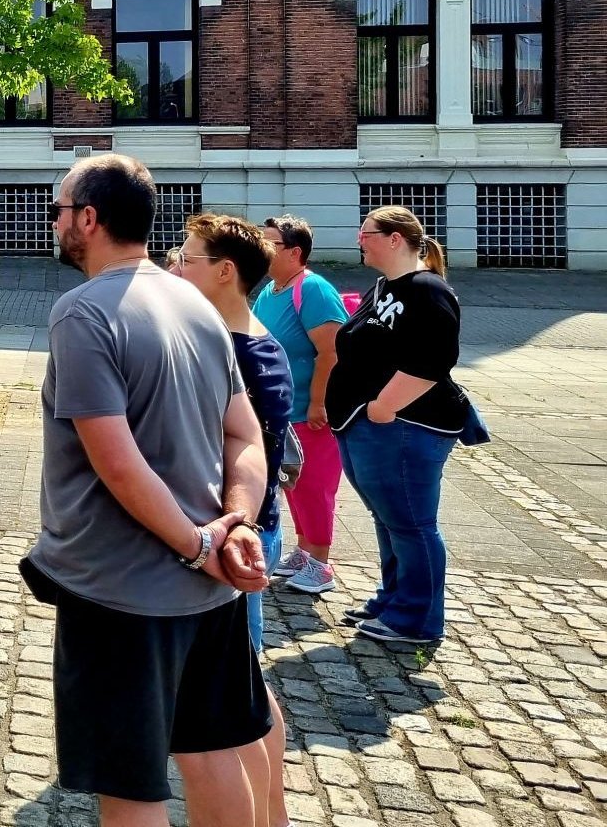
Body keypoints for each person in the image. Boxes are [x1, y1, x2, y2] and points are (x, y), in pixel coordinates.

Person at [26, 154, 276, 827]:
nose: (53, 223)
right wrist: (240, 525)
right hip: (212, 586)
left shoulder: (82, 313)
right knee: (213, 750)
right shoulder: (192, 301)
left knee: (131, 785)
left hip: (122, 591)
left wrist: (199, 544)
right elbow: (246, 437)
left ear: (88, 218)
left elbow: (118, 463)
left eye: (57, 210)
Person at [172, 213, 297, 827]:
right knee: (246, 685)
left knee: (231, 702)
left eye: (187, 256)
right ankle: (271, 809)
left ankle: (265, 813)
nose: (174, 264)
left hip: (234, 538)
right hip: (253, 529)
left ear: (225, 273)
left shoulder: (233, 352)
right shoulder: (257, 340)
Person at [326, 206, 471, 645]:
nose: (359, 240)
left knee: (411, 523)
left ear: (394, 239)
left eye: (367, 233)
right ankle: (394, 599)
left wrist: (384, 406)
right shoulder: (383, 287)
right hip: (366, 424)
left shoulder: (427, 289)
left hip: (405, 425)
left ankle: (416, 619)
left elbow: (433, 359)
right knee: (389, 518)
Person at [253, 215, 350, 595]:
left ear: (295, 252)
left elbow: (331, 352)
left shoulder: (312, 290)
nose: (261, 248)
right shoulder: (271, 290)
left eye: (270, 243)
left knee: (314, 486)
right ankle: (305, 550)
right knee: (292, 484)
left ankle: (321, 564)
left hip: (310, 412)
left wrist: (318, 403)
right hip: (281, 411)